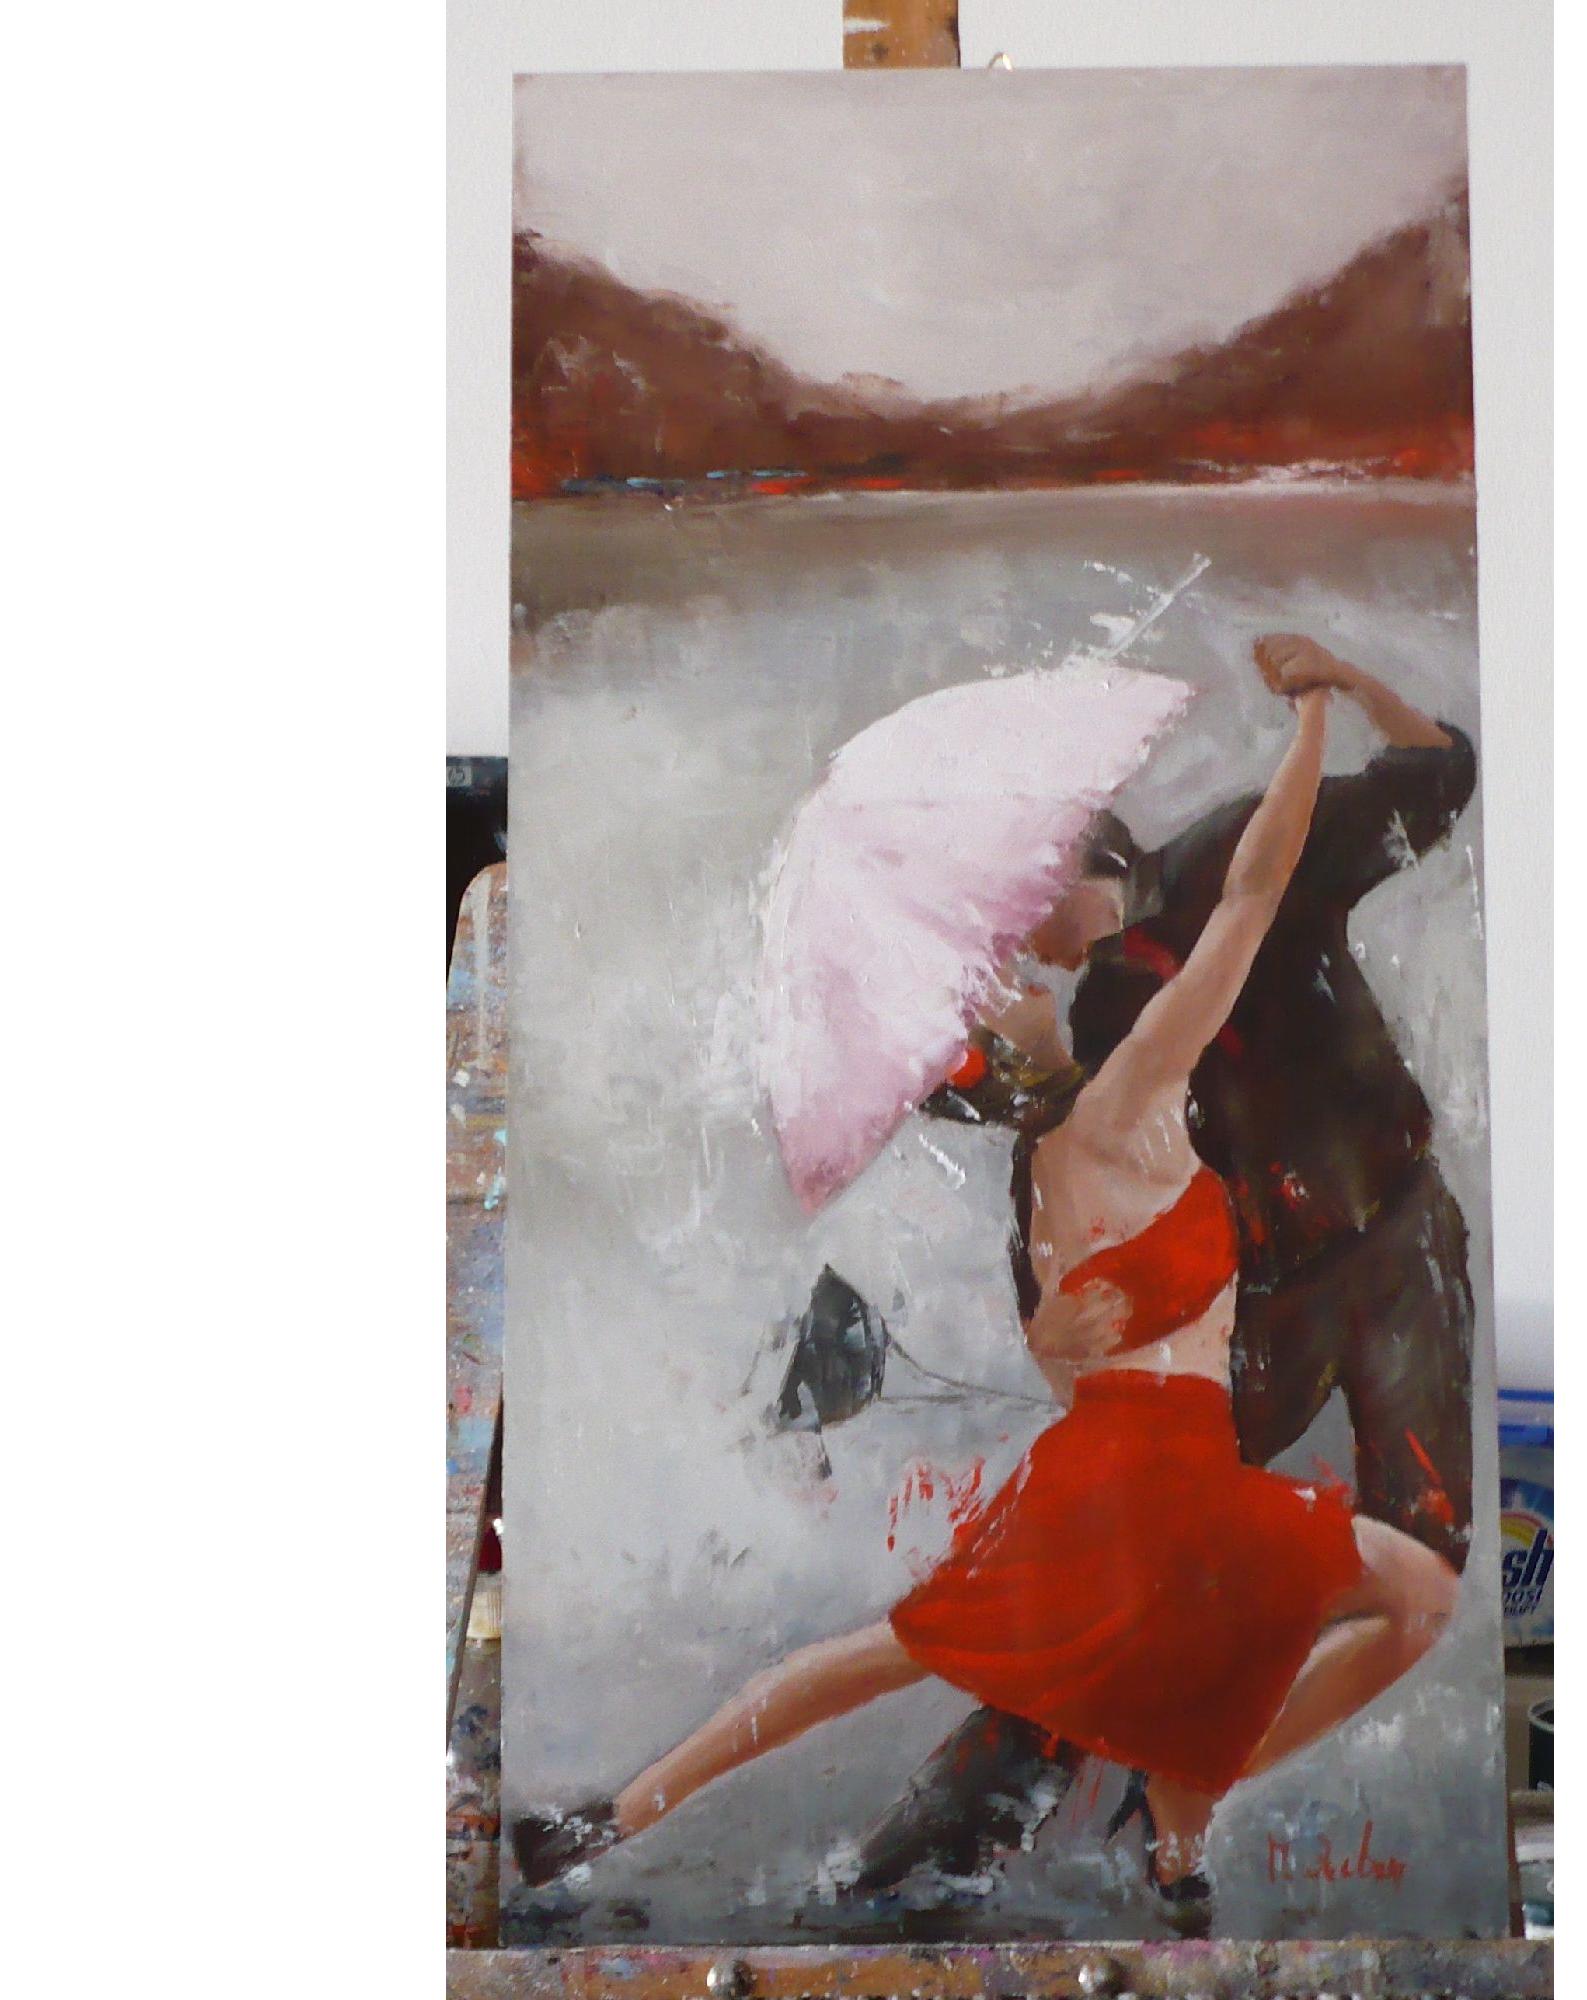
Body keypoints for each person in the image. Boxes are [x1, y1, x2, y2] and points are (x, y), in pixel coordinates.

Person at [511, 638, 1458, 1927]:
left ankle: (612, 1816)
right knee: (1411, 1599)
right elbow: (1248, 897)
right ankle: (1182, 1818)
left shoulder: (1040, 1180)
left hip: (1119, 1477)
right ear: (1004, 1055)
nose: (1015, 975)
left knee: (878, 1660)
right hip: (1163, 1488)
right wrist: (1306, 720)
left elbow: (1071, 1355)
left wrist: (1072, 1338)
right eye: (996, 992)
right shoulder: (1123, 1103)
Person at [848, 631, 1479, 1899]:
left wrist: (1340, 684)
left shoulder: (1234, 859)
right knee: (1122, 1573)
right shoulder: (1045, 1038)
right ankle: (950, 1833)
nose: (1013, 953)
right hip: (1236, 1308)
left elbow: (1436, 778)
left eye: (1017, 917)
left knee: (1420, 1553)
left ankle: (1190, 1771)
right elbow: (1010, 1151)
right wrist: (1049, 1327)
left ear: (1077, 864)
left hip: (1394, 1245)